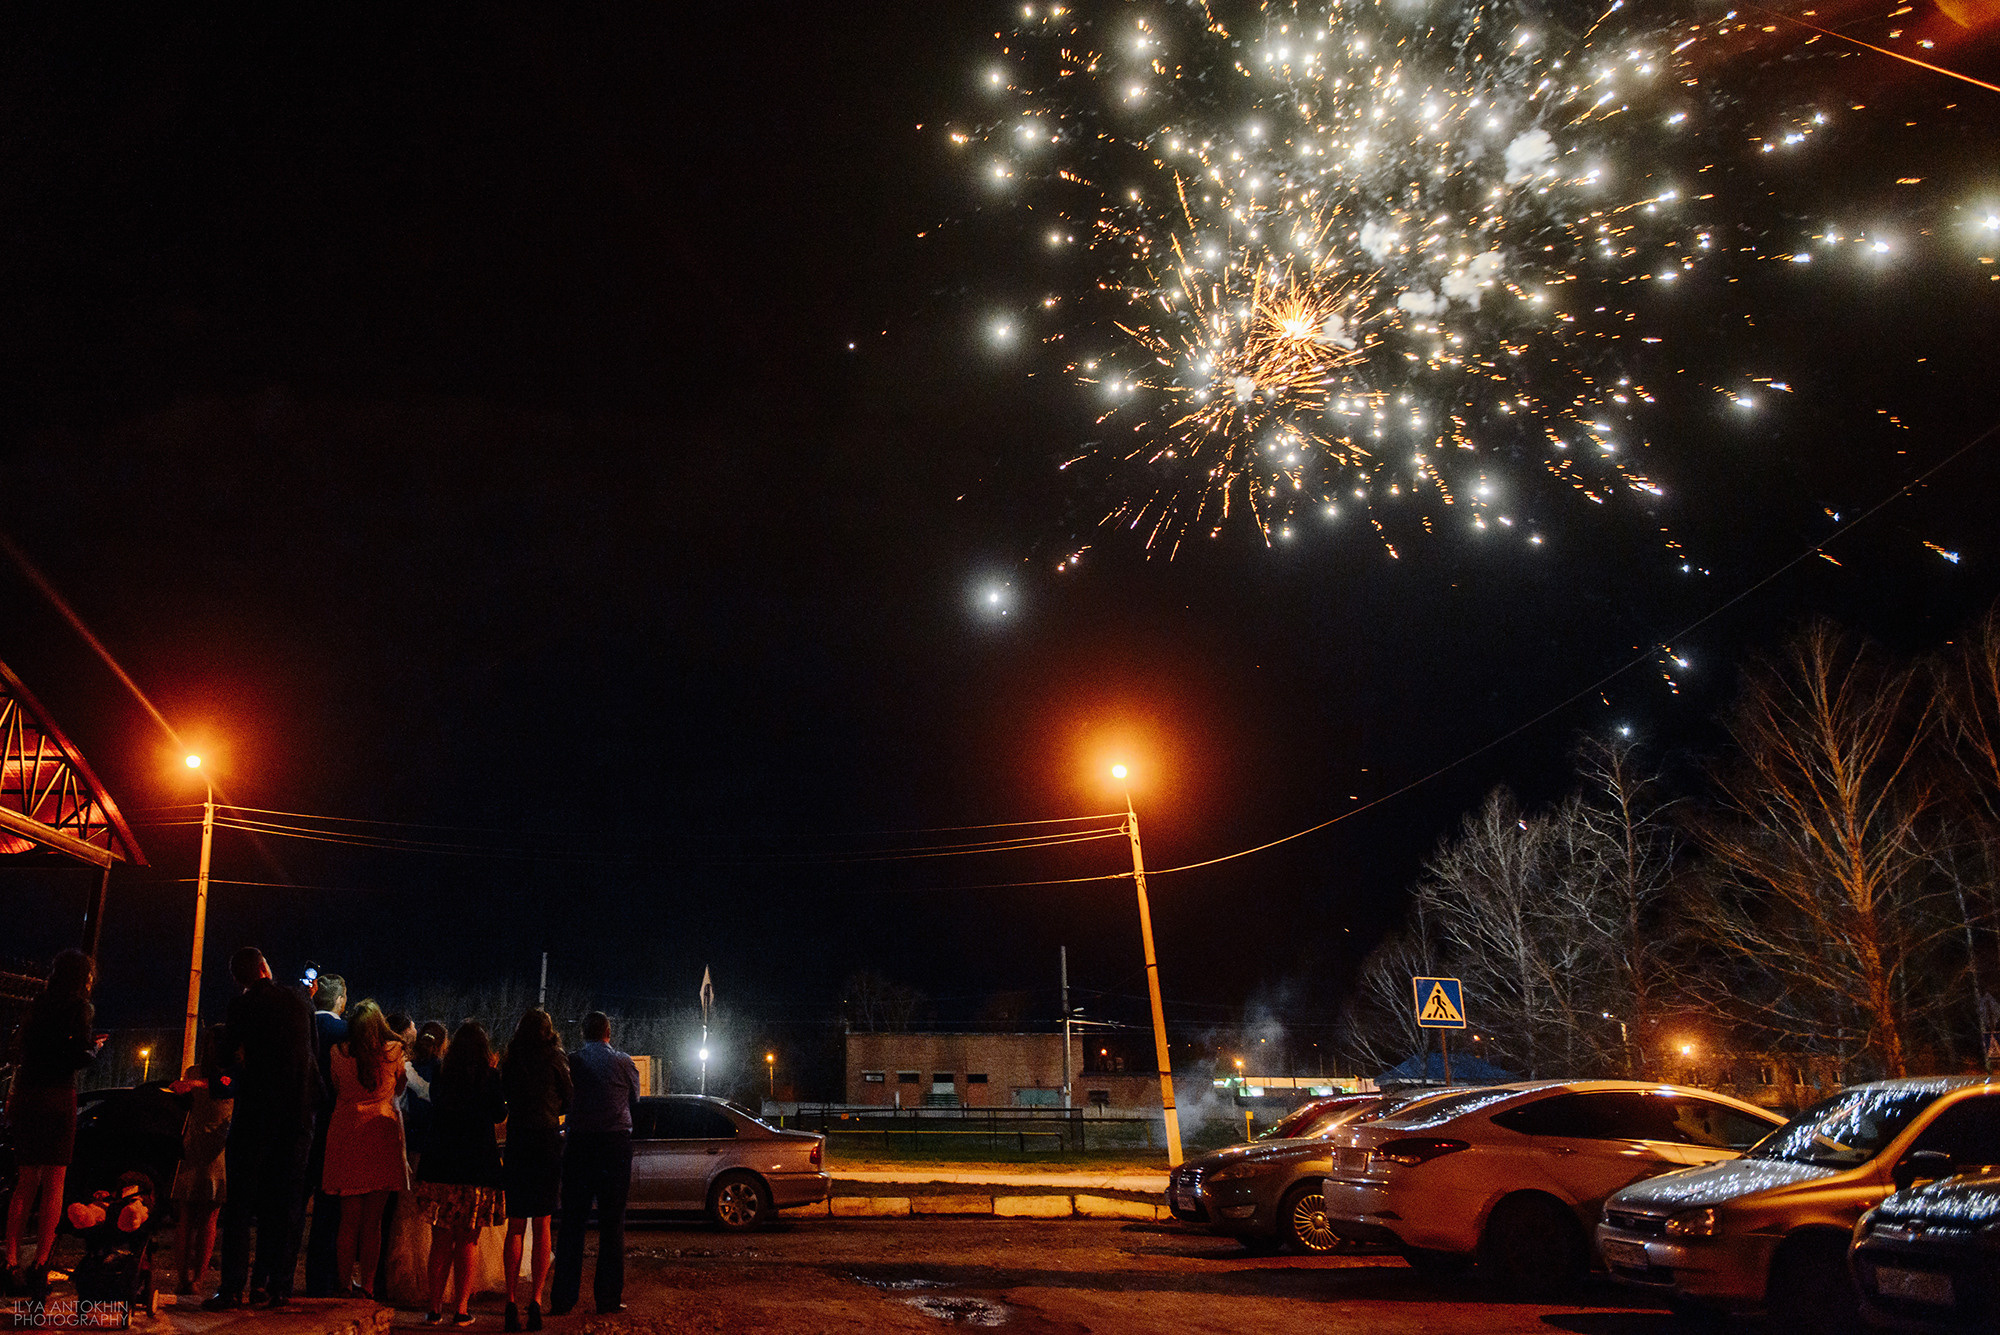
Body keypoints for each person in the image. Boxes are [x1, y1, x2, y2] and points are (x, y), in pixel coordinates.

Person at [204, 947, 316, 1312]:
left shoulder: (242, 1005)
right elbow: (311, 1054)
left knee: (240, 1204)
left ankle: (232, 1287)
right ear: (265, 967)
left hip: (255, 1113)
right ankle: (273, 1285)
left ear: (240, 979)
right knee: (284, 1203)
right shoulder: (300, 1000)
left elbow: (226, 1057)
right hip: (296, 1114)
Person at [2, 949, 104, 1297]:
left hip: (28, 1093)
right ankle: (40, 1264)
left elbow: (23, 1052)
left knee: (25, 1180)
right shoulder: (80, 1008)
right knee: (55, 1181)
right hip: (58, 1094)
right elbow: (78, 1055)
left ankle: (10, 1261)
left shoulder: (37, 1006)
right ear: (82, 977)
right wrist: (93, 1049)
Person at [414, 1020, 506, 1326]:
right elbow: (499, 1114)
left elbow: (435, 1107)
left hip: (441, 1165)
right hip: (476, 1168)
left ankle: (434, 1307)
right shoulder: (490, 1077)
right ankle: (462, 1308)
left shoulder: (442, 1074)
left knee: (440, 1240)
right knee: (468, 1241)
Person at [551, 1011, 639, 1317]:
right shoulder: (624, 1062)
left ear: (583, 1033)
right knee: (612, 1224)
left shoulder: (573, 1062)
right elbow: (635, 1099)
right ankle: (608, 1299)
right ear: (608, 1032)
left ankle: (563, 1299)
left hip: (580, 1144)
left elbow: (563, 1098)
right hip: (615, 1145)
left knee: (572, 1223)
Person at [323, 999, 410, 1299]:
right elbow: (400, 1088)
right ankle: (369, 1285)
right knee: (373, 1223)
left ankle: (344, 1283)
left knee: (348, 1221)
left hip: (347, 1132)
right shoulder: (394, 1051)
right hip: (381, 1135)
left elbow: (336, 1085)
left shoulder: (338, 1053)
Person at [500, 1009, 570, 1332]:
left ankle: (510, 1301)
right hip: (546, 1141)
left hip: (518, 1141)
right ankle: (537, 1302)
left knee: (515, 1225)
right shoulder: (556, 1057)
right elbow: (570, 1098)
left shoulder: (512, 1059)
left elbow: (503, 1099)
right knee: (543, 1225)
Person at [167, 1034, 232, 1296]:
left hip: (195, 1144)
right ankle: (197, 1279)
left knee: (187, 1217)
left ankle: (184, 1277)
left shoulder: (195, 1073)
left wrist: (190, 1085)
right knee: (207, 1218)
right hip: (216, 1147)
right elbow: (227, 1086)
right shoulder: (230, 1074)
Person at [303, 972, 349, 1297]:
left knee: (293, 1201)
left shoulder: (302, 1027)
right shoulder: (344, 1032)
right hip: (334, 1122)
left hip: (300, 1121)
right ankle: (321, 1278)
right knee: (328, 1206)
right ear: (341, 1000)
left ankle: (277, 1276)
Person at [404, 1022, 448, 1172]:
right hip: (432, 1133)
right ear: (442, 1044)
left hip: (409, 1130)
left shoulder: (408, 1066)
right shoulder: (442, 1070)